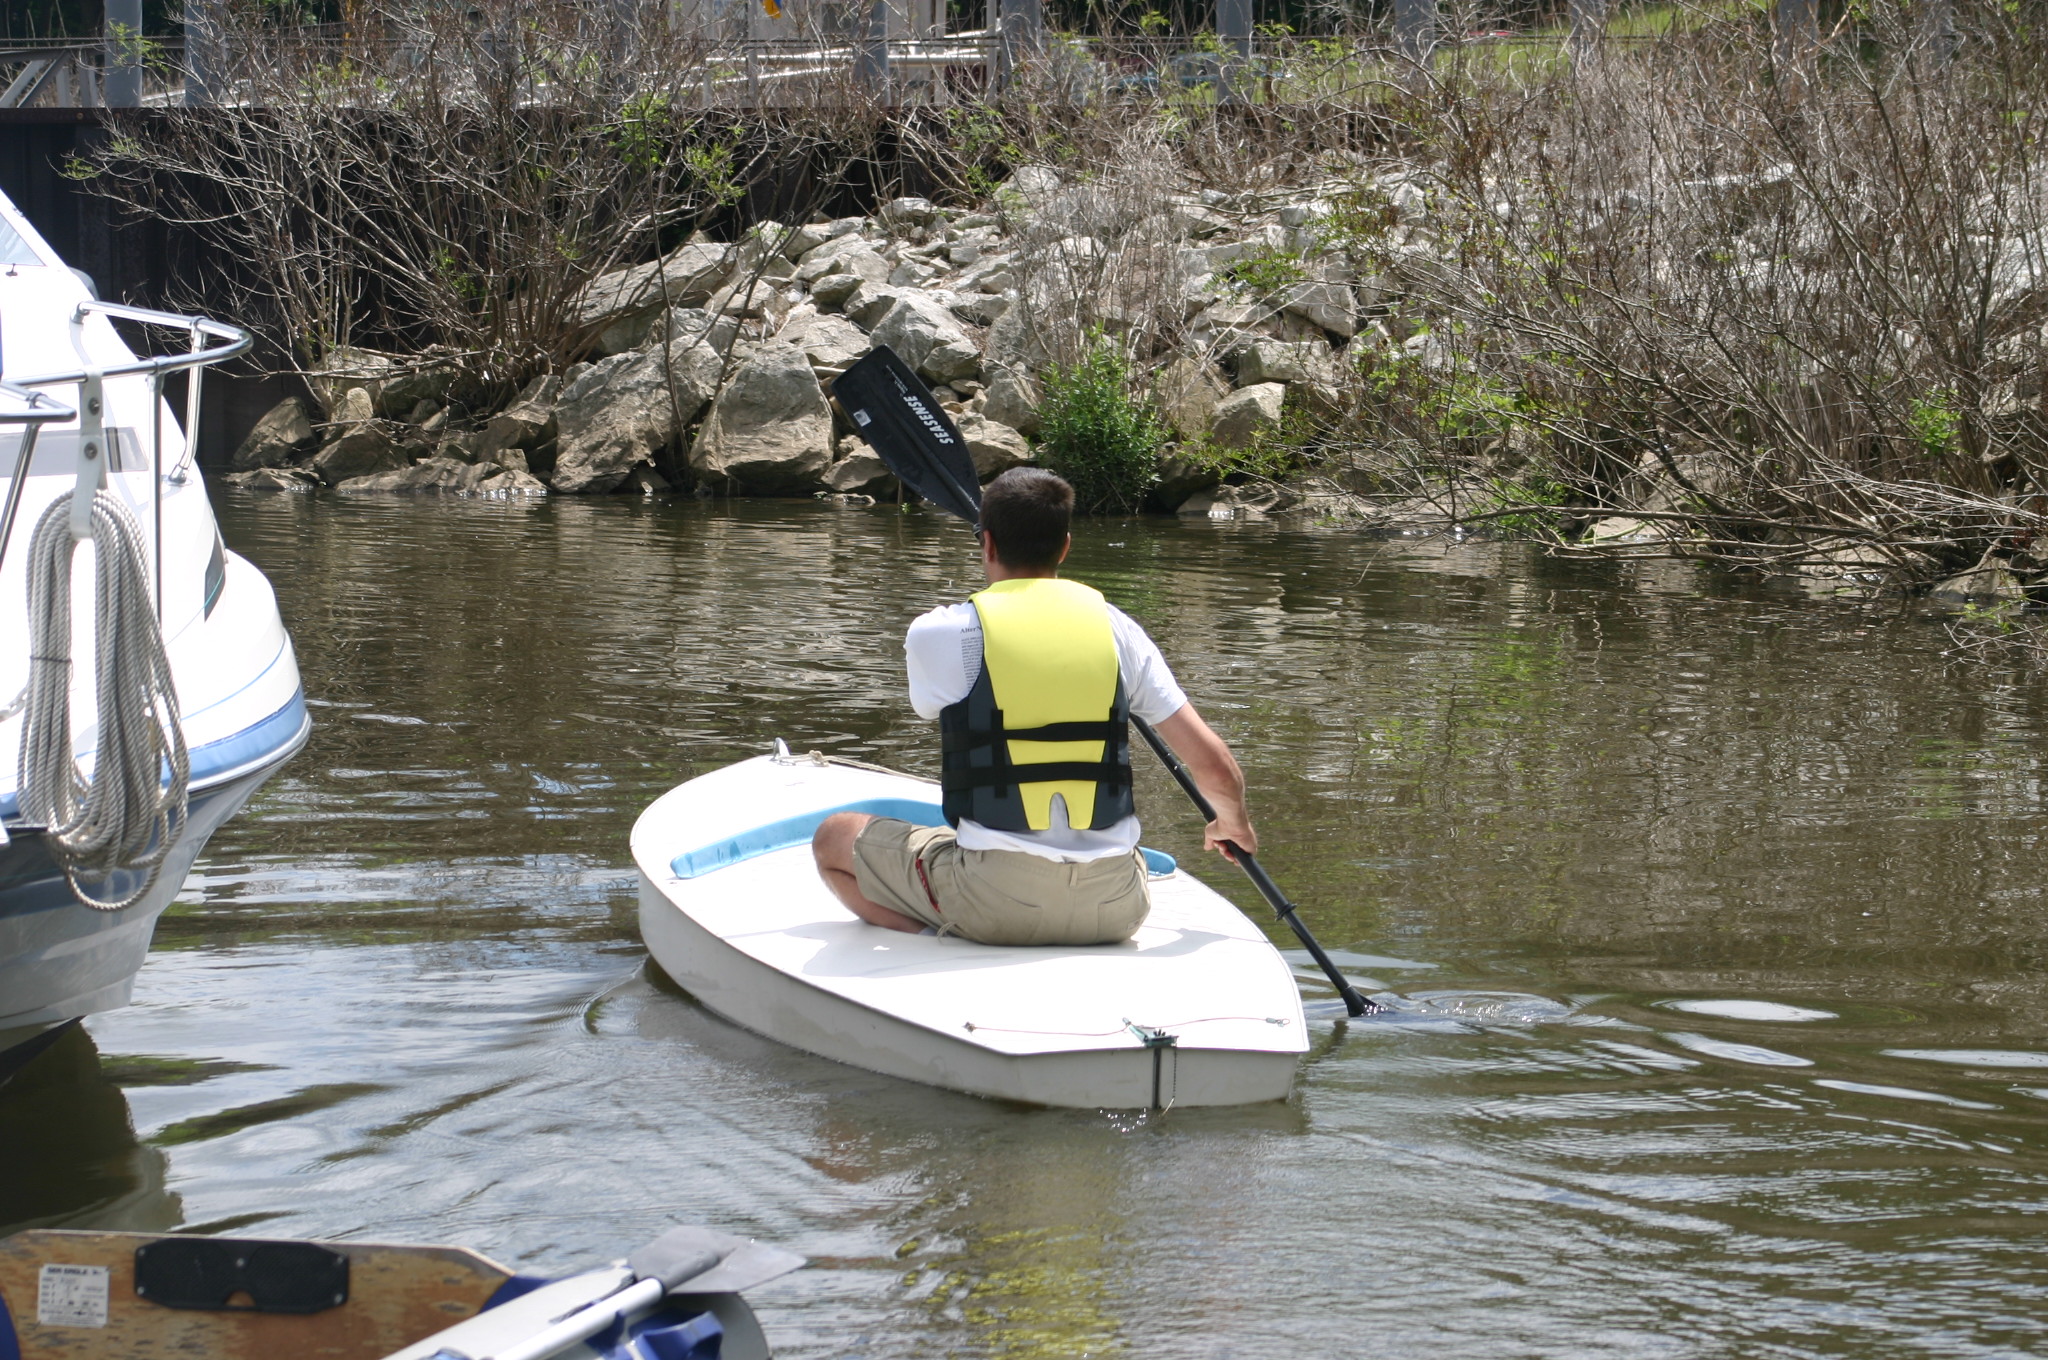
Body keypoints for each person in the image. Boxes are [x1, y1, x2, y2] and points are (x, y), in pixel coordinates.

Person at [810, 467, 1258, 946]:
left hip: (996, 903)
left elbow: (929, 706)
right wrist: (1235, 825)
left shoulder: (939, 632)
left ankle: (942, 937)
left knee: (834, 837)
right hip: (1118, 905)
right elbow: (1216, 767)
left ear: (987, 545)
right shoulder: (1119, 630)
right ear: (1065, 547)